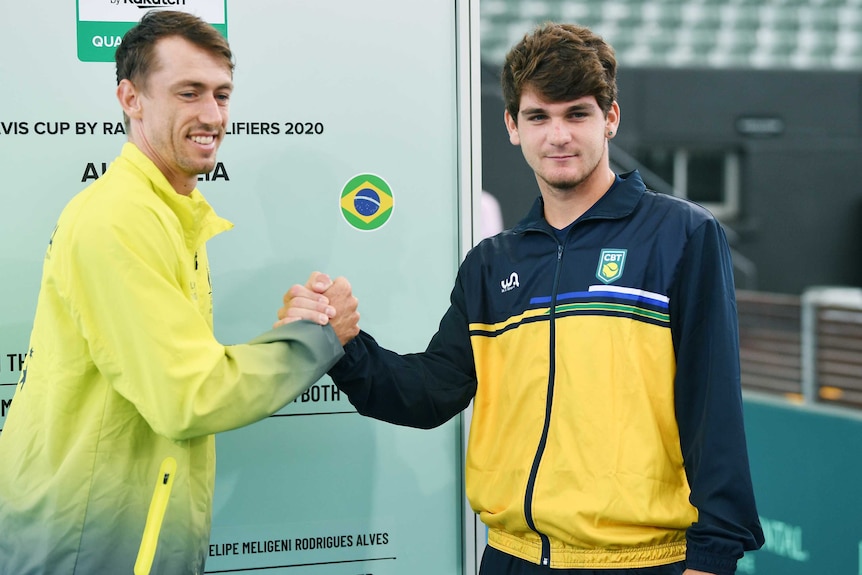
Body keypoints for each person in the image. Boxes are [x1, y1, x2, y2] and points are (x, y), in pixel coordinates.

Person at [289, 22, 764, 575]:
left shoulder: (680, 233)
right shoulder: (492, 264)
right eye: (539, 117)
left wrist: (713, 558)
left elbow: (714, 411)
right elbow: (427, 395)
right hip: (511, 559)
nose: (557, 136)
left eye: (576, 114)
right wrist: (347, 344)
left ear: (610, 118)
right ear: (513, 126)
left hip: (642, 561)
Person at [0, 10, 358, 575]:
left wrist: (290, 333)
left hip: (117, 532)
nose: (212, 115)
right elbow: (189, 395)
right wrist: (313, 342)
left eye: (222, 94)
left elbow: (180, 367)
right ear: (130, 97)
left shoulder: (164, 213)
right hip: (87, 543)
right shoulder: (120, 220)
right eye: (188, 92)